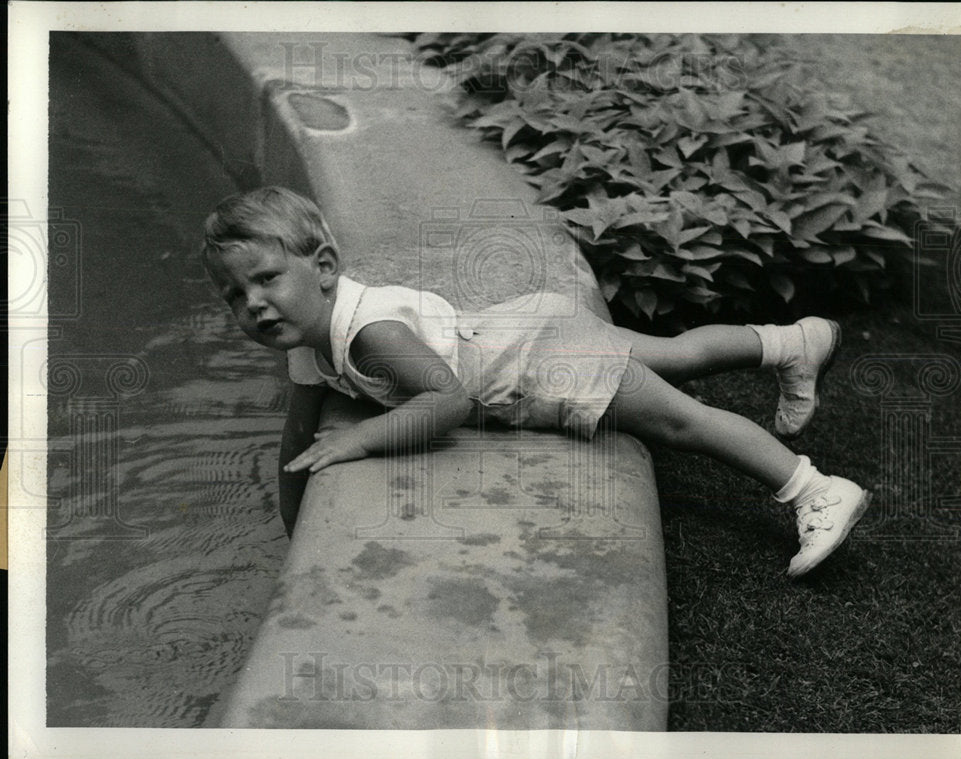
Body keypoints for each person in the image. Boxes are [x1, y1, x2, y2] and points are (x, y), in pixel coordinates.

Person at [201, 186, 871, 577]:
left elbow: (447, 399)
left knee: (679, 421)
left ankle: (814, 490)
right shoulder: (309, 344)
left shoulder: (369, 334)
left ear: (322, 267)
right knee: (676, 352)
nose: (253, 304)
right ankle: (793, 343)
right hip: (521, 331)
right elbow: (297, 436)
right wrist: (294, 537)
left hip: (537, 363)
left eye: (266, 279)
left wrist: (364, 438)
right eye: (234, 294)